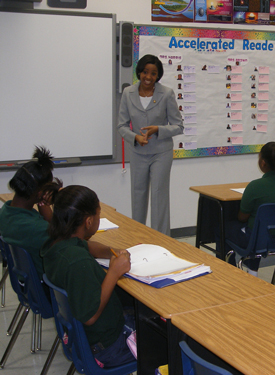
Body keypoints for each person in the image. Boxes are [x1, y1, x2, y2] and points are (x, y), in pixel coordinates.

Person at [41, 185, 135, 368]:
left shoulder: (58, 244)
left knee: (139, 310)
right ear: (89, 221)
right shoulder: (77, 262)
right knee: (166, 338)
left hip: (88, 336)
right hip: (108, 346)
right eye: (99, 215)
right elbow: (90, 316)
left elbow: (87, 246)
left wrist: (111, 252)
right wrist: (114, 273)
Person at [117, 54, 184, 236]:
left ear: (158, 76)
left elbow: (179, 126)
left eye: (153, 73)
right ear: (139, 72)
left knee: (159, 196)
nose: (148, 77)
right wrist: (135, 137)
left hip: (161, 153)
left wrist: (158, 129)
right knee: (138, 196)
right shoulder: (128, 93)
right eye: (145, 72)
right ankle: (137, 238)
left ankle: (161, 240)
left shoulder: (167, 93)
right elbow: (121, 126)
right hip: (138, 152)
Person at [219, 142, 275, 276]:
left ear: (263, 163)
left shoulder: (255, 187)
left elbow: (242, 217)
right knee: (259, 230)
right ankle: (251, 271)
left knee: (222, 228)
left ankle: (230, 273)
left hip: (258, 240)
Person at [0, 146, 62, 279]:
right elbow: (65, 239)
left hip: (28, 287)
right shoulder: (37, 228)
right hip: (48, 289)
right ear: (41, 193)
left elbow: (52, 229)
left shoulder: (6, 211)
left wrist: (42, 202)